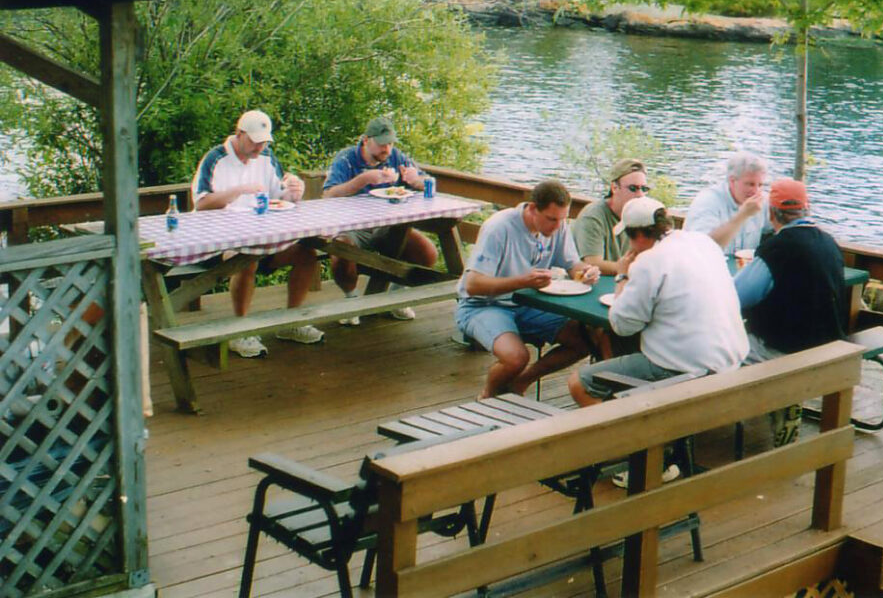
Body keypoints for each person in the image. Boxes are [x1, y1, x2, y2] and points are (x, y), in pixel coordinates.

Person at [568, 197, 749, 407]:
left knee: (580, 383)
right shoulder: (703, 243)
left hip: (687, 370)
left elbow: (622, 326)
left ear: (637, 236)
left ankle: (628, 438)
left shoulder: (649, 261)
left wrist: (622, 276)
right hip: (731, 360)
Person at [192, 109, 323, 358]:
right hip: (218, 241)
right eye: (254, 141)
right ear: (239, 134)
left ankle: (291, 322)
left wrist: (294, 192)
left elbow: (279, 196)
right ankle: (241, 329)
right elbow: (201, 203)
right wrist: (239, 190)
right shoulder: (215, 159)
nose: (259, 147)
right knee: (245, 259)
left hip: (263, 236)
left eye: (264, 141)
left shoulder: (267, 158)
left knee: (306, 252)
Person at [456, 180, 600, 399]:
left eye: (563, 220)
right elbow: (473, 285)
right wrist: (522, 281)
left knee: (588, 340)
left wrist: (586, 272)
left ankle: (520, 382)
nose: (557, 226)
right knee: (515, 357)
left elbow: (572, 265)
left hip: (529, 302)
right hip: (483, 305)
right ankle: (487, 397)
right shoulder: (499, 227)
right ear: (533, 209)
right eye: (551, 219)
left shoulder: (558, 226)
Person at [733, 177, 847, 445]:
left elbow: (736, 296)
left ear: (772, 213)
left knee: (720, 346)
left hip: (784, 349)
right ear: (807, 209)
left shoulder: (777, 248)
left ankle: (692, 429)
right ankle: (786, 404)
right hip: (828, 345)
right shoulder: (829, 243)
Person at [322, 116, 437, 324]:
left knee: (427, 254)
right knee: (341, 250)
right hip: (352, 227)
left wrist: (418, 181)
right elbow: (328, 195)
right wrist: (363, 179)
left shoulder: (396, 158)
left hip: (388, 226)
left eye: (391, 143)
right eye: (382, 143)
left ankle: (396, 297)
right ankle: (352, 301)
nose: (387, 149)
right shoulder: (347, 159)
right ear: (366, 140)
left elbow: (431, 183)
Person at [571, 158, 649, 275]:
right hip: (588, 282)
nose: (640, 195)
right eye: (633, 188)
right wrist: (630, 269)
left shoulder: (643, 216)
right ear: (614, 188)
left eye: (644, 189)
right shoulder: (593, 216)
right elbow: (593, 262)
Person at [685, 151, 771, 255]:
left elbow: (778, 228)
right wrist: (742, 215)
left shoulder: (762, 201)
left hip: (743, 268)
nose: (756, 191)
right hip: (706, 267)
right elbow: (704, 248)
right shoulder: (707, 202)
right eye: (750, 184)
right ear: (732, 181)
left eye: (760, 185)